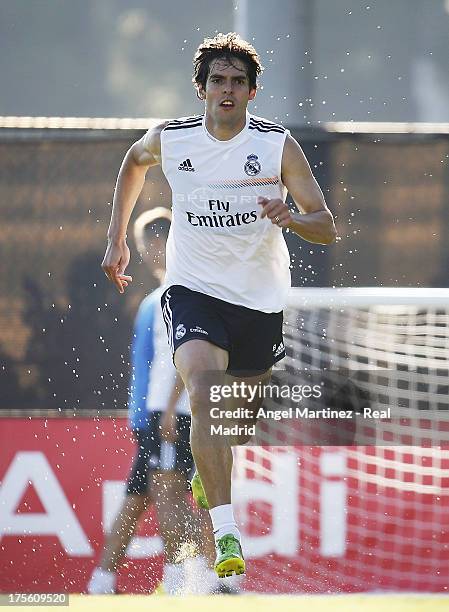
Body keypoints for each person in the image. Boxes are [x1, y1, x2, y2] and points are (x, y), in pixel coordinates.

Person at [101, 32, 336, 578]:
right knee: (205, 394)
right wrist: (115, 239)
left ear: (252, 93)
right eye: (217, 80)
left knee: (234, 422)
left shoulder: (277, 147)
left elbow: (325, 225)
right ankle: (227, 535)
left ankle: (214, 483)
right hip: (193, 291)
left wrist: (291, 217)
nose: (226, 89)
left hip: (258, 301)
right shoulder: (175, 139)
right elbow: (133, 163)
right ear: (201, 89)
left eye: (237, 81)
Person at [90, 208, 220, 595]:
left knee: (169, 493)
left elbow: (191, 355)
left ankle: (186, 575)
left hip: (172, 414)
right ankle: (102, 582)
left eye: (148, 243)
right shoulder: (154, 299)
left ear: (165, 242)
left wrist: (168, 407)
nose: (146, 252)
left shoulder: (185, 293)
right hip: (151, 415)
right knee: (139, 497)